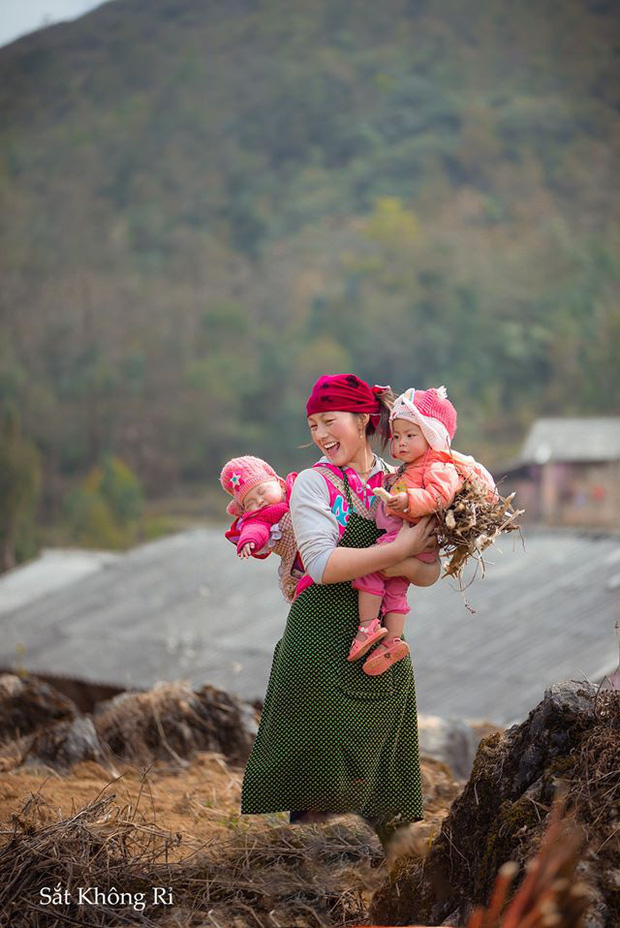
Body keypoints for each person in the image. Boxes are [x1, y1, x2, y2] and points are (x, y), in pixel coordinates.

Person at [240, 373, 439, 848]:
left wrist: (408, 552)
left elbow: (429, 572)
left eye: (329, 421)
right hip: (320, 648)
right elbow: (325, 565)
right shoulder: (313, 483)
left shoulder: (403, 483)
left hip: (383, 649)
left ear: (363, 419)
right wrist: (401, 550)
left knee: (380, 794)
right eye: (312, 425)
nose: (321, 435)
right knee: (318, 801)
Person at [350, 385, 495, 676]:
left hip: (408, 540)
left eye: (410, 435)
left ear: (431, 435)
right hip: (409, 544)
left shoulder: (438, 466)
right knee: (395, 591)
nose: (400, 443)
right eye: (397, 436)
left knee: (368, 568)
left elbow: (439, 497)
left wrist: (408, 501)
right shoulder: (407, 468)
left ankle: (367, 627)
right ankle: (391, 642)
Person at [220, 455, 302, 602]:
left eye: (262, 492)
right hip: (300, 568)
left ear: (281, 485)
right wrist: (250, 540)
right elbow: (255, 528)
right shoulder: (261, 516)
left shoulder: (300, 491)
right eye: (250, 502)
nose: (259, 500)